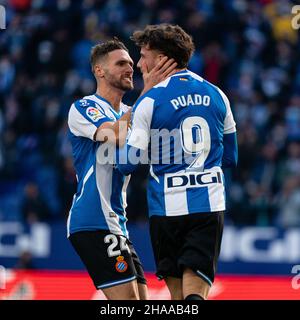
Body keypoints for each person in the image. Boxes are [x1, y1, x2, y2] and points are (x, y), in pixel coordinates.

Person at [117, 24, 238, 300]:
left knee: (177, 297)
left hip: (165, 209)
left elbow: (127, 164)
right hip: (207, 206)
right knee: (195, 296)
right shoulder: (218, 95)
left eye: (144, 55)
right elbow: (231, 157)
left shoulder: (150, 101)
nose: (139, 63)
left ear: (160, 59)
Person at [67, 38, 176, 300]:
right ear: (99, 71)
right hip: (92, 219)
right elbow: (114, 134)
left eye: (130, 62)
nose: (130, 68)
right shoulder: (84, 107)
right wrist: (147, 92)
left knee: (139, 300)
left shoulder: (133, 110)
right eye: (121, 63)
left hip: (118, 222)